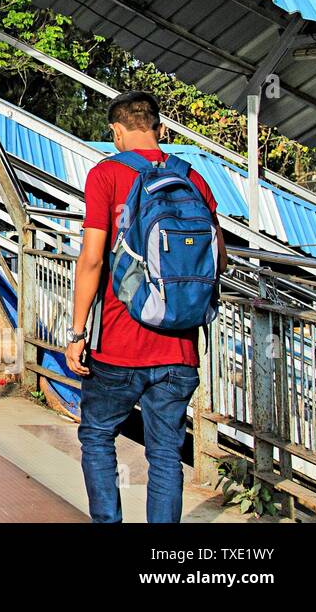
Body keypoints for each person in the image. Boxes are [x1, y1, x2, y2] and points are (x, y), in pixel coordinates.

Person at [65, 91, 226, 523]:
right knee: (166, 455)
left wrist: (77, 333)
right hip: (179, 350)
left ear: (116, 132)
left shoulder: (106, 175)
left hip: (118, 344)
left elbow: (93, 259)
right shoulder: (193, 179)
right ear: (160, 128)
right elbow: (219, 260)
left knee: (98, 435)